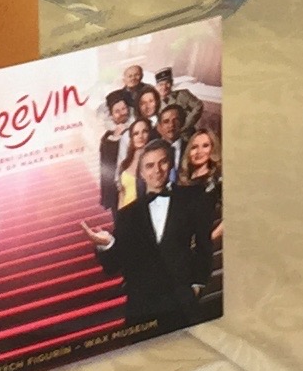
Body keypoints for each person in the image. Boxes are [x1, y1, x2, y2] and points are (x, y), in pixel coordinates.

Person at [91, 139, 215, 332]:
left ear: (171, 164)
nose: (157, 170)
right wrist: (106, 244)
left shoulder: (192, 198)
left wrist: (198, 284)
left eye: (162, 162)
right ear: (141, 172)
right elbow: (113, 266)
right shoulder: (127, 215)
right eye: (149, 166)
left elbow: (204, 245)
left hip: (183, 301)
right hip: (142, 307)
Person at [171, 125, 224, 318]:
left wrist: (210, 237)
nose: (199, 151)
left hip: (200, 253)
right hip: (179, 252)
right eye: (194, 147)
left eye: (205, 146)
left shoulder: (217, 181)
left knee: (189, 306)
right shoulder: (181, 180)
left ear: (213, 149)